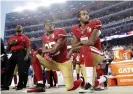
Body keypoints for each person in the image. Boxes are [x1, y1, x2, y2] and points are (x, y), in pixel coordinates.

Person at [27, 20, 83, 92]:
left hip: (64, 63)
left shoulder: (60, 32)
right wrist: (45, 54)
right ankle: (40, 85)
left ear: (54, 26)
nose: (50, 26)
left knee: (70, 87)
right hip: (53, 62)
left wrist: (42, 51)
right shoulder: (44, 37)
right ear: (44, 27)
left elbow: (54, 50)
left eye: (51, 24)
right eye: (47, 25)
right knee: (35, 56)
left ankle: (81, 79)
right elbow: (44, 49)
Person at [71, 9, 104, 92]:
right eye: (83, 14)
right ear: (79, 18)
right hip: (86, 56)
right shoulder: (75, 29)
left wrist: (80, 43)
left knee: (86, 47)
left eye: (87, 14)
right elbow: (73, 47)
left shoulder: (95, 23)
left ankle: (88, 83)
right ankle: (102, 79)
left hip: (97, 54)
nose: (86, 16)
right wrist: (81, 44)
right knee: (84, 49)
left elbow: (91, 42)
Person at [2, 25, 31, 90]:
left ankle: (20, 85)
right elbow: (8, 49)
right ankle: (5, 85)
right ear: (15, 29)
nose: (18, 27)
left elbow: (28, 47)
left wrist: (27, 55)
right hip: (13, 53)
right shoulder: (11, 38)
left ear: (22, 29)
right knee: (9, 69)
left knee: (21, 70)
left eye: (20, 27)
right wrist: (9, 45)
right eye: (17, 27)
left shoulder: (25, 37)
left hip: (21, 53)